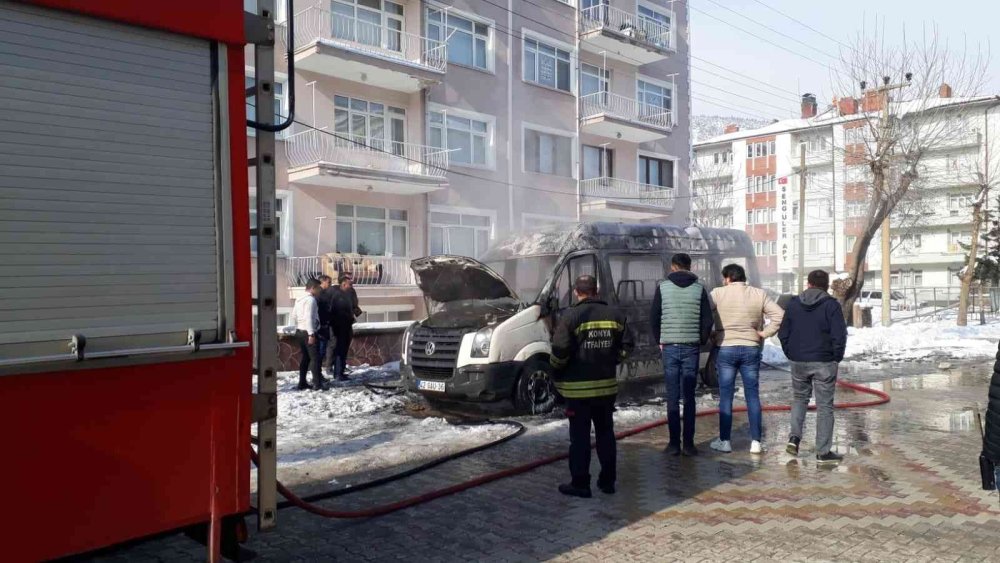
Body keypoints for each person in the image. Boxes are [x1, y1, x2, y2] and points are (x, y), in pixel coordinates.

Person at [550, 275, 633, 498]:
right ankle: (607, 482)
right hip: (606, 388)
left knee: (580, 438)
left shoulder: (571, 316)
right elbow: (627, 346)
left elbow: (559, 351)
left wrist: (556, 371)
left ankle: (580, 484)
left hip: (577, 392)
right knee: (606, 434)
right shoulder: (615, 314)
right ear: (596, 291)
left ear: (576, 292)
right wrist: (613, 360)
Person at [708, 264, 784, 454]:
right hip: (751, 349)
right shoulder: (759, 294)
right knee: (752, 395)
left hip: (725, 347)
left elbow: (703, 314)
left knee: (726, 396)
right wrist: (764, 333)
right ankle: (756, 442)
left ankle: (725, 441)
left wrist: (710, 334)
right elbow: (779, 315)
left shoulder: (717, 293)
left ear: (727, 278)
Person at [778, 270, 848, 465]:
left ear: (808, 284)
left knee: (799, 399)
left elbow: (783, 332)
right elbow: (839, 335)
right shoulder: (831, 305)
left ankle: (794, 438)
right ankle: (823, 452)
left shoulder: (793, 304)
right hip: (824, 361)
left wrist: (791, 352)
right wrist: (836, 357)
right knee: (824, 406)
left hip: (798, 360)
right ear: (826, 286)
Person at [651, 253, 713, 456]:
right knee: (689, 397)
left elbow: (654, 316)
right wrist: (700, 339)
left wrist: (660, 339)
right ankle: (688, 444)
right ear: (690, 266)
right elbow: (707, 319)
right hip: (691, 347)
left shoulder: (662, 287)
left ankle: (673, 444)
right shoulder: (699, 288)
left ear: (673, 267)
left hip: (669, 346)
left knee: (672, 396)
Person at [290, 278, 326, 391]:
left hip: (300, 331)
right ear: (313, 288)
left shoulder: (299, 299)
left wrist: (297, 326)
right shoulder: (311, 300)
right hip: (308, 332)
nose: (320, 290)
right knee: (314, 358)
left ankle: (302, 382)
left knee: (305, 358)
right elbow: (309, 318)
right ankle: (317, 383)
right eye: (318, 288)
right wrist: (311, 334)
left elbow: (294, 316)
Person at [327, 275, 356, 381]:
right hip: (339, 327)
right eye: (350, 284)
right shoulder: (337, 295)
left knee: (343, 350)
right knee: (339, 350)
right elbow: (335, 312)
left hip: (346, 326)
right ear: (344, 284)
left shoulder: (348, 294)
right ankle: (337, 374)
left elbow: (351, 308)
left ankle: (341, 372)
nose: (351, 286)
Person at [317, 275, 335, 376]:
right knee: (320, 350)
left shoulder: (326, 293)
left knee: (325, 348)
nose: (330, 284)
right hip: (321, 326)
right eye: (329, 282)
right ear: (322, 282)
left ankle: (321, 373)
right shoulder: (319, 294)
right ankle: (318, 375)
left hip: (326, 324)